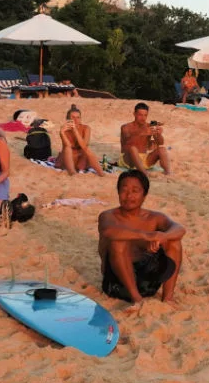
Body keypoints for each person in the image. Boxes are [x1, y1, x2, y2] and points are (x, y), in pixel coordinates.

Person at [97, 170, 185, 310]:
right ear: (118, 192)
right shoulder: (108, 216)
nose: (129, 196)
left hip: (147, 283)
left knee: (174, 242)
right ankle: (136, 299)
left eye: (135, 191)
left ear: (144, 195)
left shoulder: (154, 217)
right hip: (116, 285)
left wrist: (163, 237)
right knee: (118, 242)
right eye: (124, 190)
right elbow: (109, 231)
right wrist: (146, 236)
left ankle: (168, 298)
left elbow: (179, 228)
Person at [120, 103, 172, 176]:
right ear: (134, 114)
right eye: (140, 115)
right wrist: (143, 132)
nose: (143, 118)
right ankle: (145, 174)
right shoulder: (125, 127)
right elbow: (127, 138)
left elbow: (160, 143)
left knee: (162, 149)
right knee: (133, 148)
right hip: (128, 159)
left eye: (145, 115)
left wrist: (159, 134)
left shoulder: (149, 126)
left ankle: (168, 173)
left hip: (144, 160)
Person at [59, 105, 105, 176]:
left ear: (80, 119)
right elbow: (67, 145)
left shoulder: (86, 128)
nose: (76, 120)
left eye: (78, 117)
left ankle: (101, 173)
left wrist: (75, 131)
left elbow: (84, 145)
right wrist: (61, 132)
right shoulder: (64, 129)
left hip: (81, 157)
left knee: (86, 150)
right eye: (73, 117)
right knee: (67, 149)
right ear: (68, 119)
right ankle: (72, 173)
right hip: (68, 157)